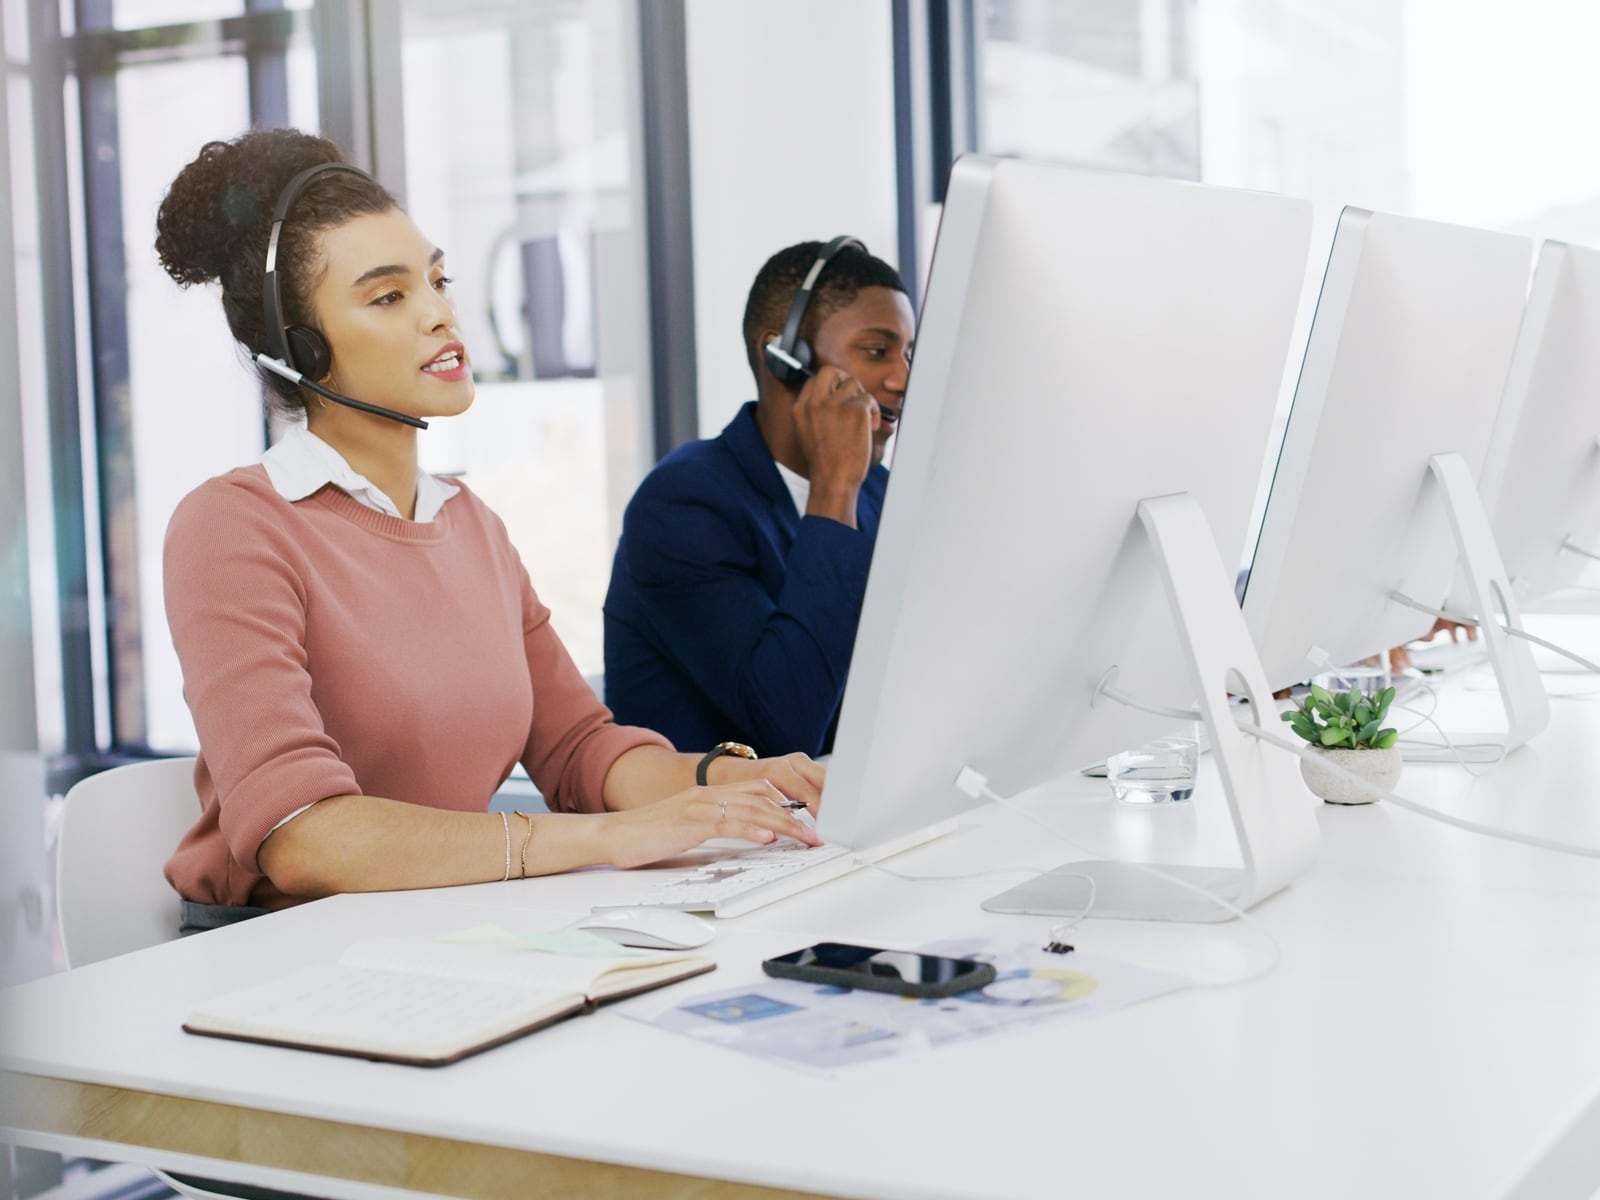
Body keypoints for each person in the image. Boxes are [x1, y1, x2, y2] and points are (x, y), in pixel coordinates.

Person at [154, 128, 819, 932]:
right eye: (389, 296)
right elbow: (306, 838)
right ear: (301, 350)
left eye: (438, 280)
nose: (440, 313)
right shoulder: (232, 528)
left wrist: (726, 783)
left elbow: (579, 751)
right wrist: (606, 837)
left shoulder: (471, 525)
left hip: (448, 929)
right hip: (280, 955)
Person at [603, 238, 914, 757]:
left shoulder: (878, 494)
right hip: (711, 830)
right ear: (784, 357)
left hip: (832, 819)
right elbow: (788, 723)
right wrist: (834, 489)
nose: (903, 377)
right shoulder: (683, 505)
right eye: (878, 351)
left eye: (908, 354)